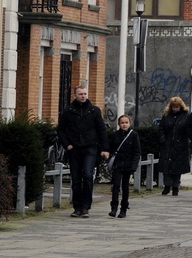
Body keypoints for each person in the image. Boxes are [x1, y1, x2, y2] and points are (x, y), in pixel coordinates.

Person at [56, 84, 106, 218]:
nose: (83, 96)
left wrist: (104, 148)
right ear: (75, 95)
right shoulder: (68, 110)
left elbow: (101, 129)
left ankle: (86, 206)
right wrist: (67, 145)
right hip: (74, 148)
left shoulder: (94, 110)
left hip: (90, 147)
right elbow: (61, 129)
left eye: (85, 94)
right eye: (80, 94)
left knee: (88, 175)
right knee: (76, 178)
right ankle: (77, 206)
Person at [104, 115, 140, 218]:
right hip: (117, 164)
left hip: (128, 164)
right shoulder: (115, 135)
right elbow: (109, 148)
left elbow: (137, 152)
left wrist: (134, 165)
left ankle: (123, 208)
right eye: (122, 123)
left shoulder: (133, 135)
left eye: (126, 122)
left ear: (130, 123)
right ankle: (114, 207)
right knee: (115, 186)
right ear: (119, 124)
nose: (124, 125)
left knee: (125, 187)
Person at [157, 96, 191, 196]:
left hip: (180, 145)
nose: (175, 109)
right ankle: (167, 186)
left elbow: (188, 128)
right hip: (167, 144)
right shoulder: (166, 115)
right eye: (173, 107)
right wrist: (163, 140)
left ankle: (176, 186)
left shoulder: (185, 116)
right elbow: (161, 128)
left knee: (178, 166)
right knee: (166, 166)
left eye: (177, 107)